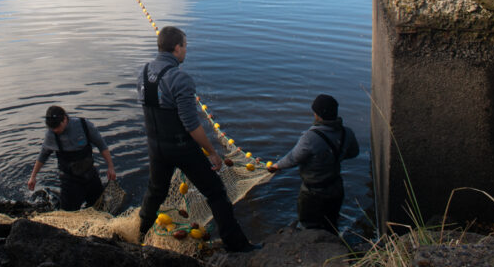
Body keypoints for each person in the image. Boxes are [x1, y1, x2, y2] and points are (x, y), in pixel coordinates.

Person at [137, 26, 259, 252]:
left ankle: (138, 235)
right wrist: (212, 152)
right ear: (177, 48)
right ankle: (236, 244)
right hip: (181, 147)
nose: (186, 51)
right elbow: (191, 125)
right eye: (185, 46)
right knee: (216, 193)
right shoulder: (179, 78)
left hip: (155, 147)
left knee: (155, 191)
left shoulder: (143, 72)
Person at [270, 94, 359, 234]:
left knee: (308, 226)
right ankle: (335, 249)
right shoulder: (347, 133)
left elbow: (293, 158)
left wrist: (276, 166)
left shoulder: (310, 137)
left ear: (318, 115)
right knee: (331, 224)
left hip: (313, 193)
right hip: (336, 188)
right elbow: (354, 153)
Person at [27, 106, 117, 211]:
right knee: (68, 212)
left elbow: (102, 145)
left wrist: (110, 167)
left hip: (90, 176)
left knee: (100, 207)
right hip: (69, 181)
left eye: (57, 126)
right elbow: (43, 156)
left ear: (65, 119)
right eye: (52, 127)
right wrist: (33, 176)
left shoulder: (84, 125)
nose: (55, 130)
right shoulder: (51, 134)